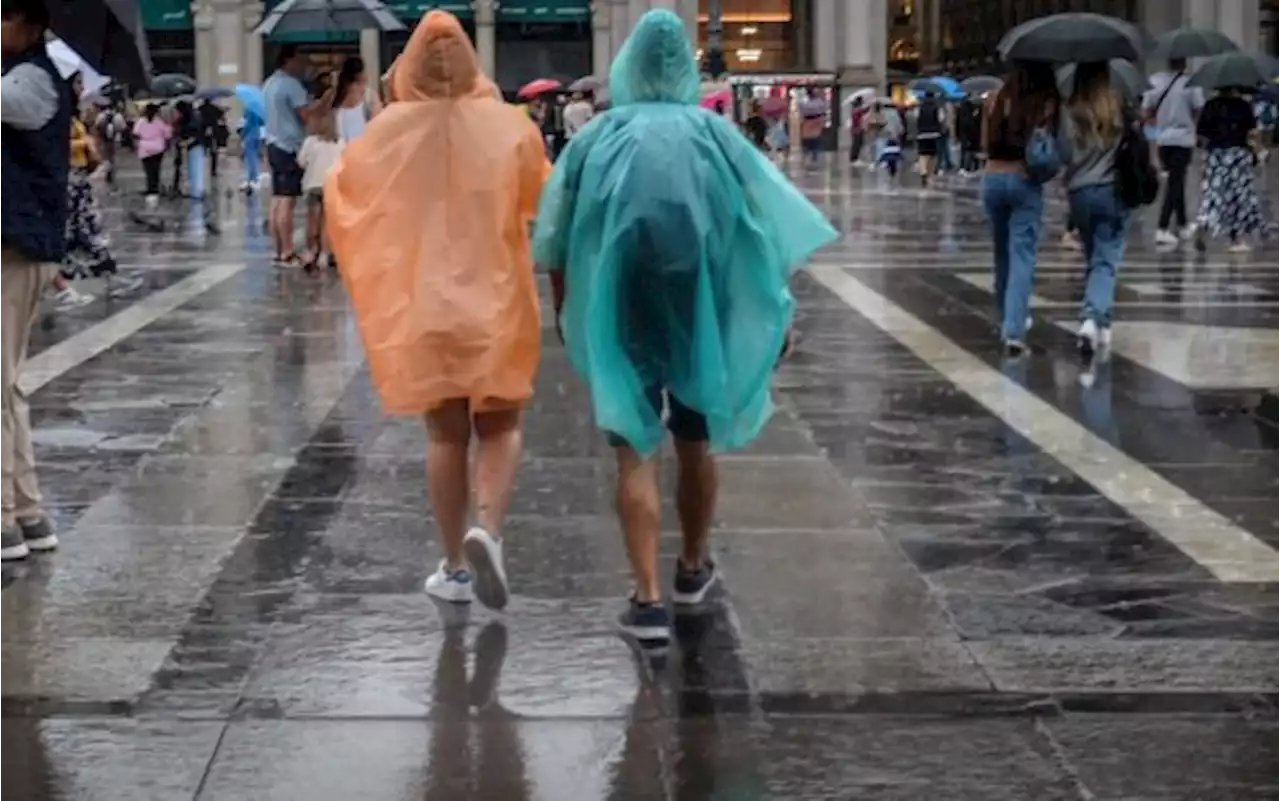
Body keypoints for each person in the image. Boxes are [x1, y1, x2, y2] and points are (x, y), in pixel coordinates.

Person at [532, 9, 837, 648]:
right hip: (705, 306)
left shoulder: (596, 137)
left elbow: (554, 237)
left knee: (632, 448)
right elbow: (764, 224)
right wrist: (776, 305)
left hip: (620, 306)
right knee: (695, 440)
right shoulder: (715, 134)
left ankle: (645, 601)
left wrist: (566, 308)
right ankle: (692, 568)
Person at [325, 10, 549, 610]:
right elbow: (542, 201)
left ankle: (453, 566)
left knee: (445, 437)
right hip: (495, 299)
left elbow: (343, 195)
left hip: (423, 306)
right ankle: (490, 530)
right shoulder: (510, 127)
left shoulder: (386, 132)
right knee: (500, 424)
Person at [0, 0, 68, 561]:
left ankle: (3, 519)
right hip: (16, 246)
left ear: (29, 24)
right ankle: (28, 514)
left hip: (15, 250)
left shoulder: (31, 81)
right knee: (6, 385)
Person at [981, 61, 1059, 357]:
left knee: (1001, 254)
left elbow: (983, 143)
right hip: (1023, 179)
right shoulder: (1044, 104)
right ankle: (1013, 331)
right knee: (1022, 255)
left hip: (992, 178)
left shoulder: (995, 99)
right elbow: (1049, 147)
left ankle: (1005, 317)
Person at [1060, 61, 1128, 356]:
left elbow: (1063, 154)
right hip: (1111, 189)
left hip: (1079, 193)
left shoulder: (1069, 113)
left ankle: (1104, 321)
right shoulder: (1117, 110)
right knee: (1106, 260)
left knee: (1095, 257)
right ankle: (1090, 318)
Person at [263, 44, 336, 266]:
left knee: (277, 199)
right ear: (289, 60)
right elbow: (305, 115)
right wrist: (323, 102)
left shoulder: (269, 83)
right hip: (289, 145)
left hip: (273, 143)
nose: (303, 64)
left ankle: (278, 250)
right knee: (287, 201)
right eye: (300, 60)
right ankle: (286, 251)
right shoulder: (291, 85)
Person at [1143, 58, 1204, 248]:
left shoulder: (1154, 81)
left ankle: (1183, 223)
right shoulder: (1191, 84)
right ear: (1184, 63)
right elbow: (1199, 108)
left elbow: (1146, 111)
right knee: (1175, 182)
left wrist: (1159, 122)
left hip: (1162, 138)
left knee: (1176, 180)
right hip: (1183, 138)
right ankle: (1162, 227)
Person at [1194, 86, 1263, 254]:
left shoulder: (1210, 105)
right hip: (1238, 154)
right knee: (1238, 196)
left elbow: (1201, 135)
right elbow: (1252, 132)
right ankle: (1236, 239)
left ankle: (1203, 223)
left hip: (1215, 154)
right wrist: (1258, 151)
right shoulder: (1243, 106)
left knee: (1213, 192)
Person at [296, 109, 343, 270]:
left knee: (312, 220)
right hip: (332, 186)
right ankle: (325, 253)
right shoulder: (341, 142)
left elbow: (302, 162)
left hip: (313, 185)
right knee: (327, 223)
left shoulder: (310, 142)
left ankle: (310, 251)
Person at [332, 55, 382, 143]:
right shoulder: (369, 96)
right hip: (363, 149)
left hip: (340, 150)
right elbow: (377, 124)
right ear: (361, 74)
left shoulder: (334, 95)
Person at [133, 103, 171, 207]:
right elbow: (167, 134)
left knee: (148, 170)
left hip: (145, 148)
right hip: (158, 148)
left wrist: (137, 144)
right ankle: (155, 188)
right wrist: (167, 146)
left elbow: (135, 134)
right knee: (156, 169)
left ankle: (151, 188)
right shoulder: (160, 122)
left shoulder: (140, 122)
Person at [915, 93, 943, 186]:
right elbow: (941, 118)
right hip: (934, 133)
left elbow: (916, 117)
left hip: (922, 133)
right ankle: (930, 174)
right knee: (933, 155)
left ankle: (923, 172)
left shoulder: (919, 107)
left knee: (922, 154)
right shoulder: (936, 107)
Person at [239, 105, 264, 193]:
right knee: (253, 158)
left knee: (250, 158)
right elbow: (262, 121)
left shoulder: (249, 108)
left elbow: (248, 123)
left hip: (249, 136)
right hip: (257, 134)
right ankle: (252, 178)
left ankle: (253, 179)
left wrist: (242, 134)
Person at [848, 95, 868, 165]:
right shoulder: (856, 111)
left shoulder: (856, 110)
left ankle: (855, 158)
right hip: (857, 129)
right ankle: (854, 159)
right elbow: (859, 116)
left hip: (857, 129)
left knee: (858, 143)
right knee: (857, 144)